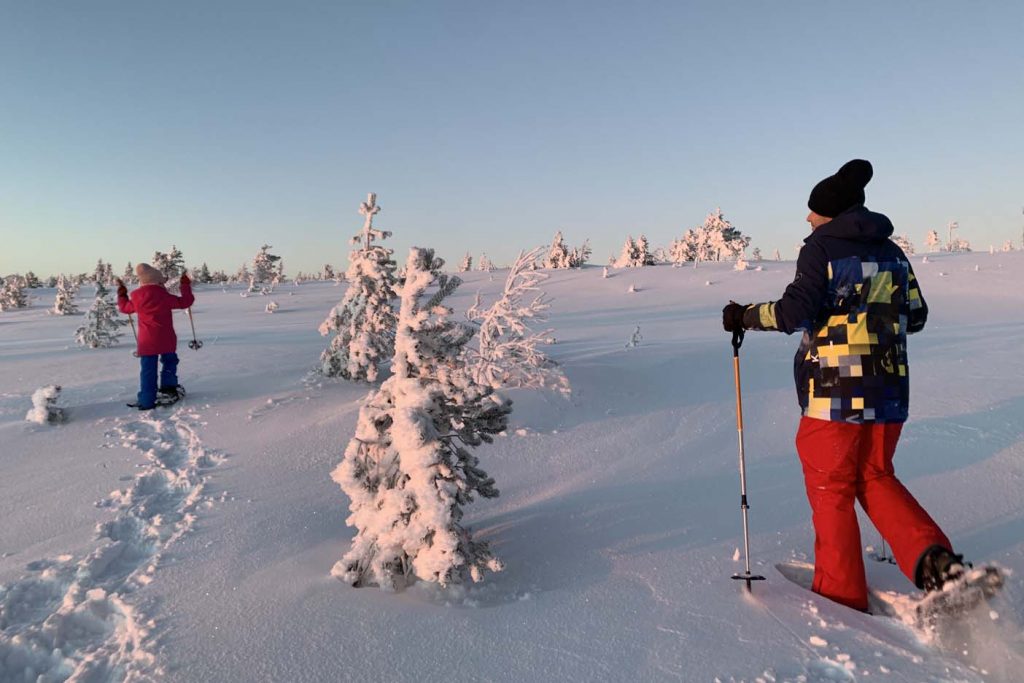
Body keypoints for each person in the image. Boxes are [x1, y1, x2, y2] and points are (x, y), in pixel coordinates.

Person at [722, 159, 963, 611]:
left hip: (834, 395)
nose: (808, 218)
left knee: (831, 490)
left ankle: (840, 598)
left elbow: (794, 313)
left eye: (813, 211)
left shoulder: (821, 248)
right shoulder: (892, 251)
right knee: (875, 477)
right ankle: (937, 564)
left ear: (830, 213)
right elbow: (917, 316)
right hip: (889, 393)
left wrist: (743, 316)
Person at [116, 263, 194, 410]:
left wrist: (122, 295)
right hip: (166, 338)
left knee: (148, 369)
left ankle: (146, 400)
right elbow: (186, 302)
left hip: (147, 341)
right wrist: (185, 286)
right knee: (170, 362)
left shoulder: (137, 298)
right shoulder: (164, 296)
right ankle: (168, 389)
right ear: (157, 282)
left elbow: (125, 308)